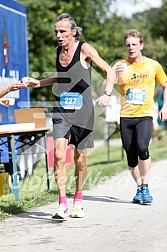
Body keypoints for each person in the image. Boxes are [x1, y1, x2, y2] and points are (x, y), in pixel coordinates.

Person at [23, 13, 116, 219]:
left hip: (84, 113)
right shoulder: (58, 51)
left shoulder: (84, 49)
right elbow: (60, 76)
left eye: (62, 31)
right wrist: (39, 83)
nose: (58, 35)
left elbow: (109, 71)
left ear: (73, 32)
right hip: (62, 111)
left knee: (80, 158)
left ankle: (78, 200)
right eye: (56, 31)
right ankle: (62, 204)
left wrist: (107, 94)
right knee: (58, 155)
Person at [111, 29, 167, 204]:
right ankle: (139, 187)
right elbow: (109, 83)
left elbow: (165, 85)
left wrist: (165, 105)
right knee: (131, 157)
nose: (131, 48)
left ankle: (146, 186)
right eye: (128, 45)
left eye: (134, 44)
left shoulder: (153, 65)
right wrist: (107, 90)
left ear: (141, 45)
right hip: (125, 117)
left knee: (143, 147)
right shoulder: (120, 65)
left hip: (144, 115)